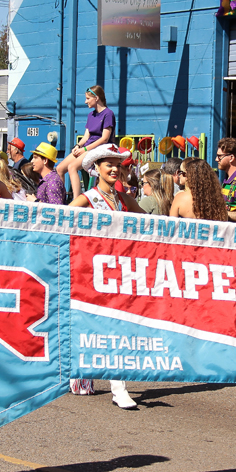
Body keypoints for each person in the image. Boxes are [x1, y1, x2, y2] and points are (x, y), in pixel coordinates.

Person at [69, 144, 144, 408]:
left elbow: (155, 226)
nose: (114, 169)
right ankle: (96, 378)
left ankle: (114, 385)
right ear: (96, 169)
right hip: (93, 273)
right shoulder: (87, 199)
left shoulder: (125, 200)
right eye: (108, 164)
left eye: (118, 164)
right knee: (99, 326)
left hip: (123, 273)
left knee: (117, 326)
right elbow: (59, 223)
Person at [57, 86, 115, 200]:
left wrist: (84, 149)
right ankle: (60, 200)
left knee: (72, 167)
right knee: (60, 168)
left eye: (88, 98)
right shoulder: (91, 115)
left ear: (96, 98)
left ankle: (76, 200)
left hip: (98, 148)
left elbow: (104, 138)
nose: (85, 101)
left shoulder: (108, 114)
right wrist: (78, 146)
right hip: (87, 147)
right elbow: (86, 136)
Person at [170, 157, 228, 222]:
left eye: (182, 173)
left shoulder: (180, 198)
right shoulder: (218, 200)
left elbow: (171, 227)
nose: (179, 175)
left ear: (189, 177)